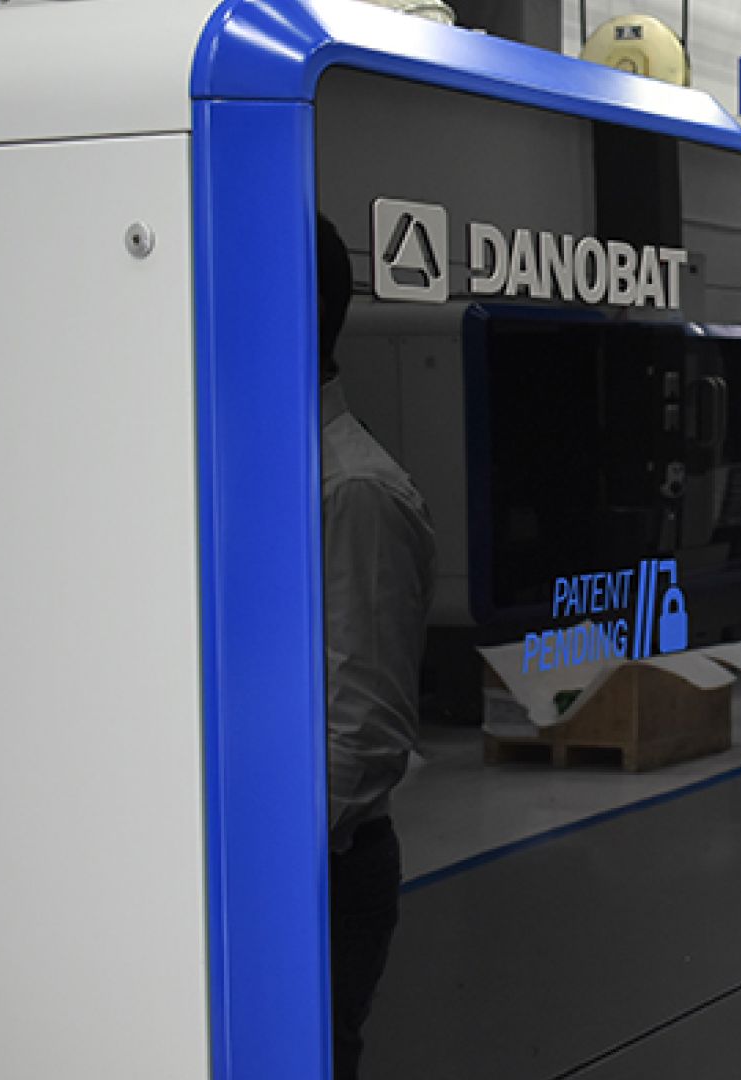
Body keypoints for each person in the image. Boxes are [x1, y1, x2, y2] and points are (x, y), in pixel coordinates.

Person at [316, 215, 438, 1080]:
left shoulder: (353, 490)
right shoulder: (257, 468)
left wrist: (262, 864)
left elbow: (359, 733)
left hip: (325, 870)